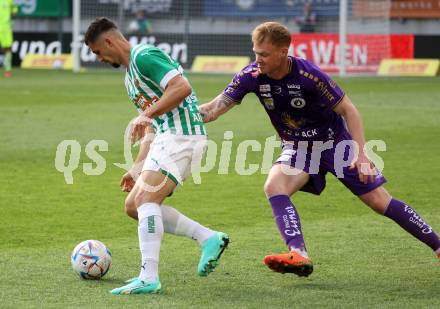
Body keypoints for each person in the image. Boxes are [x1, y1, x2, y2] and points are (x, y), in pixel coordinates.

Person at [199, 21, 440, 277]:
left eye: (264, 54)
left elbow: (349, 110)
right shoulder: (251, 76)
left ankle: (437, 246)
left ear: (283, 51)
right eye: (256, 52)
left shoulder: (309, 75)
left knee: (379, 201)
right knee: (274, 186)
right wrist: (181, 112)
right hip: (299, 147)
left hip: (334, 143)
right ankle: (299, 254)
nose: (258, 59)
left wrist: (361, 155)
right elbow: (214, 109)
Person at [84, 17, 229, 294]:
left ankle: (149, 277)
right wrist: (137, 167)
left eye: (97, 52)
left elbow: (182, 87)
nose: (98, 58)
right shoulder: (129, 78)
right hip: (167, 137)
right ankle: (208, 238)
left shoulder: (144, 56)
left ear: (109, 42)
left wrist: (146, 113)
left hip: (184, 135)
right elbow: (151, 127)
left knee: (145, 199)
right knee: (133, 206)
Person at [0, 0, 18, 77]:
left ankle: (8, 70)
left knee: (7, 48)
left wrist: (12, 20)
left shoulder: (9, 0)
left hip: (5, 28)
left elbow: (14, 10)